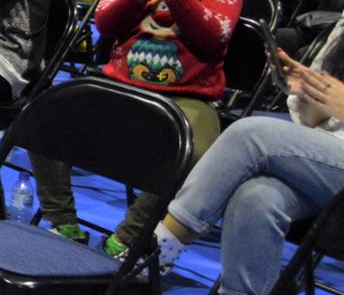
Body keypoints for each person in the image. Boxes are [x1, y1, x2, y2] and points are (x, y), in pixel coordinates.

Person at [32, 0, 243, 260]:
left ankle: (128, 237)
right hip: (121, 85)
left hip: (189, 99)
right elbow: (106, 25)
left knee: (199, 156)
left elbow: (213, 37)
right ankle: (61, 219)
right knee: (45, 113)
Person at [145, 31, 344, 294]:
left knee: (249, 134)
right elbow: (315, 123)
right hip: (326, 161)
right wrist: (305, 92)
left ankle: (157, 252)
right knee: (256, 197)